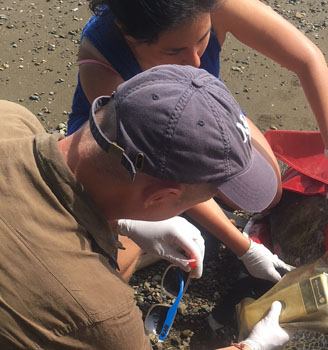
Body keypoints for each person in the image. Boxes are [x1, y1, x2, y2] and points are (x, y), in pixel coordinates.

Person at [68, 0, 328, 282]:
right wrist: (245, 247)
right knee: (116, 266)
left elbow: (306, 59)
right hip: (127, 156)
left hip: (198, 113)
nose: (196, 62)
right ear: (130, 36)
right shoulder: (102, 59)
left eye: (202, 41)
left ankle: (180, 219)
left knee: (266, 197)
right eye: (174, 51)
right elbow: (158, 169)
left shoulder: (211, 4)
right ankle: (142, 229)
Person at [0, 65, 289, 350]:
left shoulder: (11, 118)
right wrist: (252, 346)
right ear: (159, 198)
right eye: (204, 197)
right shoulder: (100, 314)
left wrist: (122, 223)